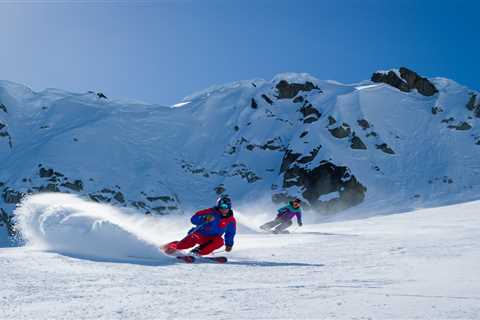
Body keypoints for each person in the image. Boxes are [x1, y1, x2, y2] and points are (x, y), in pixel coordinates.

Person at [164, 196, 236, 256]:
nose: (224, 209)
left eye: (227, 206)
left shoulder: (231, 220)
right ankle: (171, 247)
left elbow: (230, 233)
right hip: (198, 234)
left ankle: (196, 253)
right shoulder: (210, 212)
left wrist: (229, 244)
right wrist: (204, 218)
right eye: (222, 206)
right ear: (218, 205)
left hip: (210, 239)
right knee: (185, 245)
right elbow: (193, 219)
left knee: (219, 241)